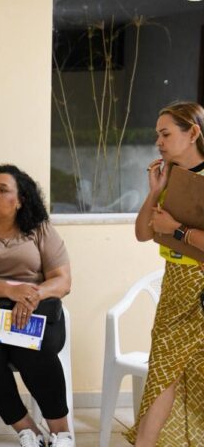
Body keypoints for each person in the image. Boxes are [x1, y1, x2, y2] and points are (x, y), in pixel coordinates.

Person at [0, 165, 73, 447]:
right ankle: (28, 431)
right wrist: (7, 289)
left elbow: (62, 280)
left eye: (2, 190)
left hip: (36, 308)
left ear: (20, 200)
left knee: (29, 344)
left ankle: (61, 433)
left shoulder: (38, 229)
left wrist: (32, 295)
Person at [128, 101, 204, 446]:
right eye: (157, 134)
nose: (158, 141)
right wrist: (155, 192)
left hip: (199, 287)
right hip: (175, 284)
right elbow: (143, 232)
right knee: (162, 374)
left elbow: (172, 230)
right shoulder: (169, 176)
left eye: (166, 133)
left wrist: (177, 231)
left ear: (193, 133)